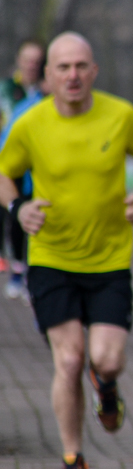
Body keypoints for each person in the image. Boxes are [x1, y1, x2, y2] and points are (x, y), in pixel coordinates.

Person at [0, 32, 133, 469]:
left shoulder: (121, 115)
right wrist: (17, 209)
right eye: (62, 67)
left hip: (109, 258)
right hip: (51, 257)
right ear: (46, 76)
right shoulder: (30, 124)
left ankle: (106, 388)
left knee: (106, 359)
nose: (72, 75)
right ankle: (74, 461)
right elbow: (5, 173)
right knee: (68, 360)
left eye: (81, 66)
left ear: (94, 71)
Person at [2, 39, 45, 299]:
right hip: (7, 166)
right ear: (18, 60)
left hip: (36, 168)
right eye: (27, 59)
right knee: (12, 218)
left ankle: (30, 273)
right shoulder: (6, 90)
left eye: (36, 60)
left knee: (33, 215)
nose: (31, 65)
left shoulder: (47, 91)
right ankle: (16, 270)